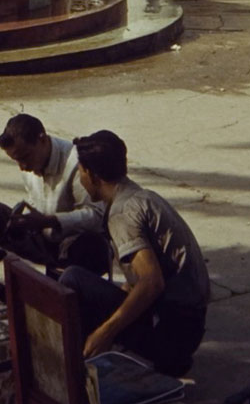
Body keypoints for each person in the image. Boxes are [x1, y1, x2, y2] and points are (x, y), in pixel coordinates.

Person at [56, 130, 210, 377]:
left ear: (91, 175)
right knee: (98, 289)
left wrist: (105, 332)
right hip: (188, 326)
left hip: (173, 335)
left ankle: (73, 373)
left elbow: (152, 282)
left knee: (73, 279)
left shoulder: (122, 213)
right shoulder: (140, 196)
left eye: (82, 173)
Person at [0, 113, 110, 277]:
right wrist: (22, 220)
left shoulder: (76, 163)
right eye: (16, 160)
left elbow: (96, 215)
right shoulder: (29, 165)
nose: (22, 166)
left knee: (91, 245)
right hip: (43, 239)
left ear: (42, 139)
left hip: (71, 245)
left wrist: (50, 221)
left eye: (25, 157)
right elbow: (36, 205)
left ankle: (61, 287)